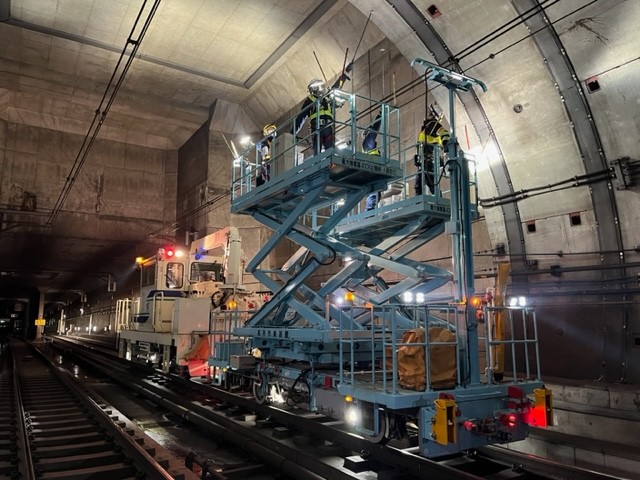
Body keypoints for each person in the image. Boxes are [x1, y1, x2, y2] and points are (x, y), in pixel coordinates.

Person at [294, 63, 353, 155]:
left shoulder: (327, 97)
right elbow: (301, 117)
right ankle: (320, 164)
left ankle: (331, 163)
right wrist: (291, 134)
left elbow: (336, 86)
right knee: (317, 153)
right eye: (318, 87)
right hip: (317, 128)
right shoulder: (310, 101)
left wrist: (345, 73)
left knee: (330, 151)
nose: (320, 89)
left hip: (328, 127)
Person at [414, 114, 450, 195]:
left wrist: (446, 143)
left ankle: (438, 200)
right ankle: (419, 203)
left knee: (431, 184)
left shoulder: (433, 124)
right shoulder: (427, 127)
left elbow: (444, 132)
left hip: (429, 162)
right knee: (418, 184)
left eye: (430, 113)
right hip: (423, 162)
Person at [363, 110, 382, 211]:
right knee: (374, 193)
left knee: (377, 194)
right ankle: (368, 213)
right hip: (372, 169)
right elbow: (375, 130)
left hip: (373, 169)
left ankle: (369, 212)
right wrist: (380, 116)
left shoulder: (369, 145)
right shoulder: (368, 142)